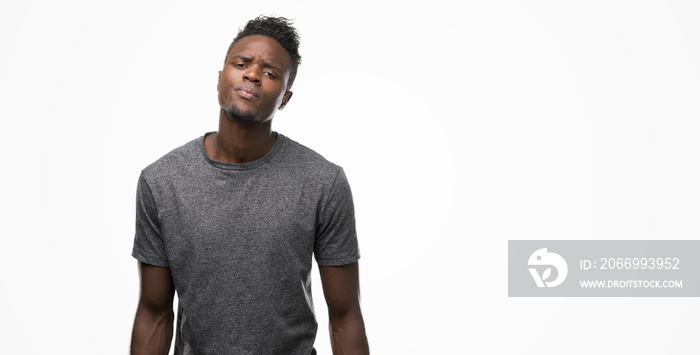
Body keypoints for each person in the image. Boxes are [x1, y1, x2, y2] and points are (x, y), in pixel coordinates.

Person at [130, 16, 369, 355]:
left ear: (284, 98)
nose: (252, 74)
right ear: (219, 80)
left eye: (270, 73)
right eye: (241, 64)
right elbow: (154, 314)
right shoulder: (162, 181)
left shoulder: (323, 182)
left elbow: (345, 316)